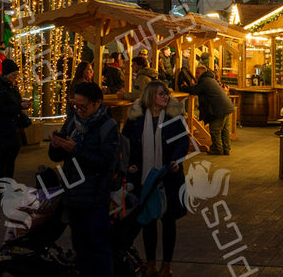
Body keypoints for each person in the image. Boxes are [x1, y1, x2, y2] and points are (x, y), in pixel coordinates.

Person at [49, 81, 120, 277]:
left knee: (98, 248)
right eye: (75, 105)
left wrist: (76, 150)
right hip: (73, 196)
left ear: (97, 103)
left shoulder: (108, 126)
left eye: (83, 106)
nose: (78, 110)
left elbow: (105, 162)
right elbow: (56, 157)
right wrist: (56, 144)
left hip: (96, 197)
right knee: (80, 249)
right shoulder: (72, 122)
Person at [124, 81, 190, 277]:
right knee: (148, 221)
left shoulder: (173, 117)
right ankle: (151, 262)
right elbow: (125, 143)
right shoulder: (136, 119)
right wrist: (129, 164)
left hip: (168, 176)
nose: (165, 97)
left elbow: (183, 141)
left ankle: (166, 265)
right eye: (161, 94)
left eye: (166, 94)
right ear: (151, 96)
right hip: (144, 177)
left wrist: (176, 160)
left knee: (168, 221)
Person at [0, 58, 31, 181]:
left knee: (12, 155)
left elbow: (14, 102)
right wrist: (19, 106)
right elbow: (1, 107)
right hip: (6, 126)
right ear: (7, 74)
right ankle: (2, 185)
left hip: (15, 125)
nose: (15, 77)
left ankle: (9, 182)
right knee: (5, 156)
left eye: (17, 75)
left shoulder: (12, 86)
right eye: (14, 75)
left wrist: (22, 103)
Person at [186, 65, 234, 155]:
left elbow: (194, 90)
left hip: (218, 108)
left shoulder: (205, 81)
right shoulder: (210, 79)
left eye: (198, 73)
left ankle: (217, 149)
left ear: (203, 73)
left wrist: (184, 87)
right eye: (196, 72)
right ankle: (226, 149)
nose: (196, 75)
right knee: (224, 130)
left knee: (215, 129)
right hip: (226, 106)